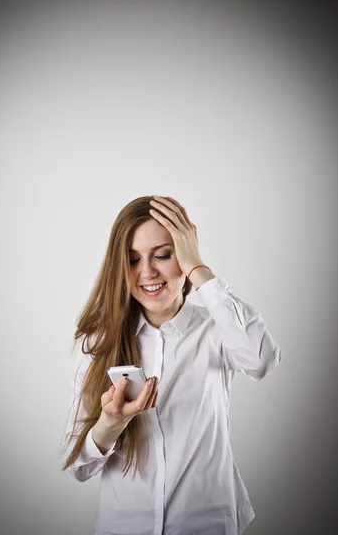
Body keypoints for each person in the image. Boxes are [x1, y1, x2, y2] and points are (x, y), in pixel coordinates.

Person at [60, 195, 282, 535]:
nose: (147, 272)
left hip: (207, 524)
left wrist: (198, 267)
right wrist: (111, 422)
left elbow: (262, 360)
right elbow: (78, 465)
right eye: (132, 260)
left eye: (163, 255)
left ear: (184, 252)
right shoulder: (97, 342)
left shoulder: (216, 328)